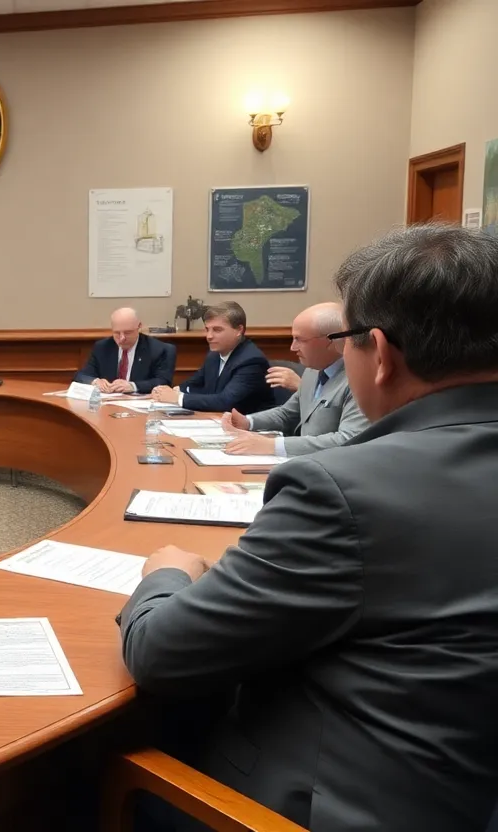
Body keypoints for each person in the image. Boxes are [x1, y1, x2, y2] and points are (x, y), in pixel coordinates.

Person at [118, 225, 498, 831]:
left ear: (380, 353)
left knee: (88, 772)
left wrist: (166, 574)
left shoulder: (344, 489)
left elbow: (159, 653)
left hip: (329, 803)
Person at [221, 302, 369, 456]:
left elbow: (348, 439)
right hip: (305, 463)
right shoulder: (312, 371)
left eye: (300, 339)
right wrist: (247, 422)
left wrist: (273, 445)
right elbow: (287, 413)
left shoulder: (360, 380)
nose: (292, 347)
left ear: (330, 341)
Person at [151, 301, 273, 414]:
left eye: (217, 330)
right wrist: (172, 391)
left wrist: (178, 398)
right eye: (207, 329)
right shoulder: (214, 355)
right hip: (217, 420)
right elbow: (193, 384)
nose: (209, 336)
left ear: (239, 330)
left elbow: (225, 402)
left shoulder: (251, 361)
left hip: (249, 426)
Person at [74, 307, 175, 394]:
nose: (122, 338)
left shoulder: (158, 350)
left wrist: (133, 386)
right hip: (108, 404)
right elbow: (81, 375)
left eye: (127, 333)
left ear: (139, 326)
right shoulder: (102, 347)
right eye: (117, 333)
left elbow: (163, 382)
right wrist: (95, 381)